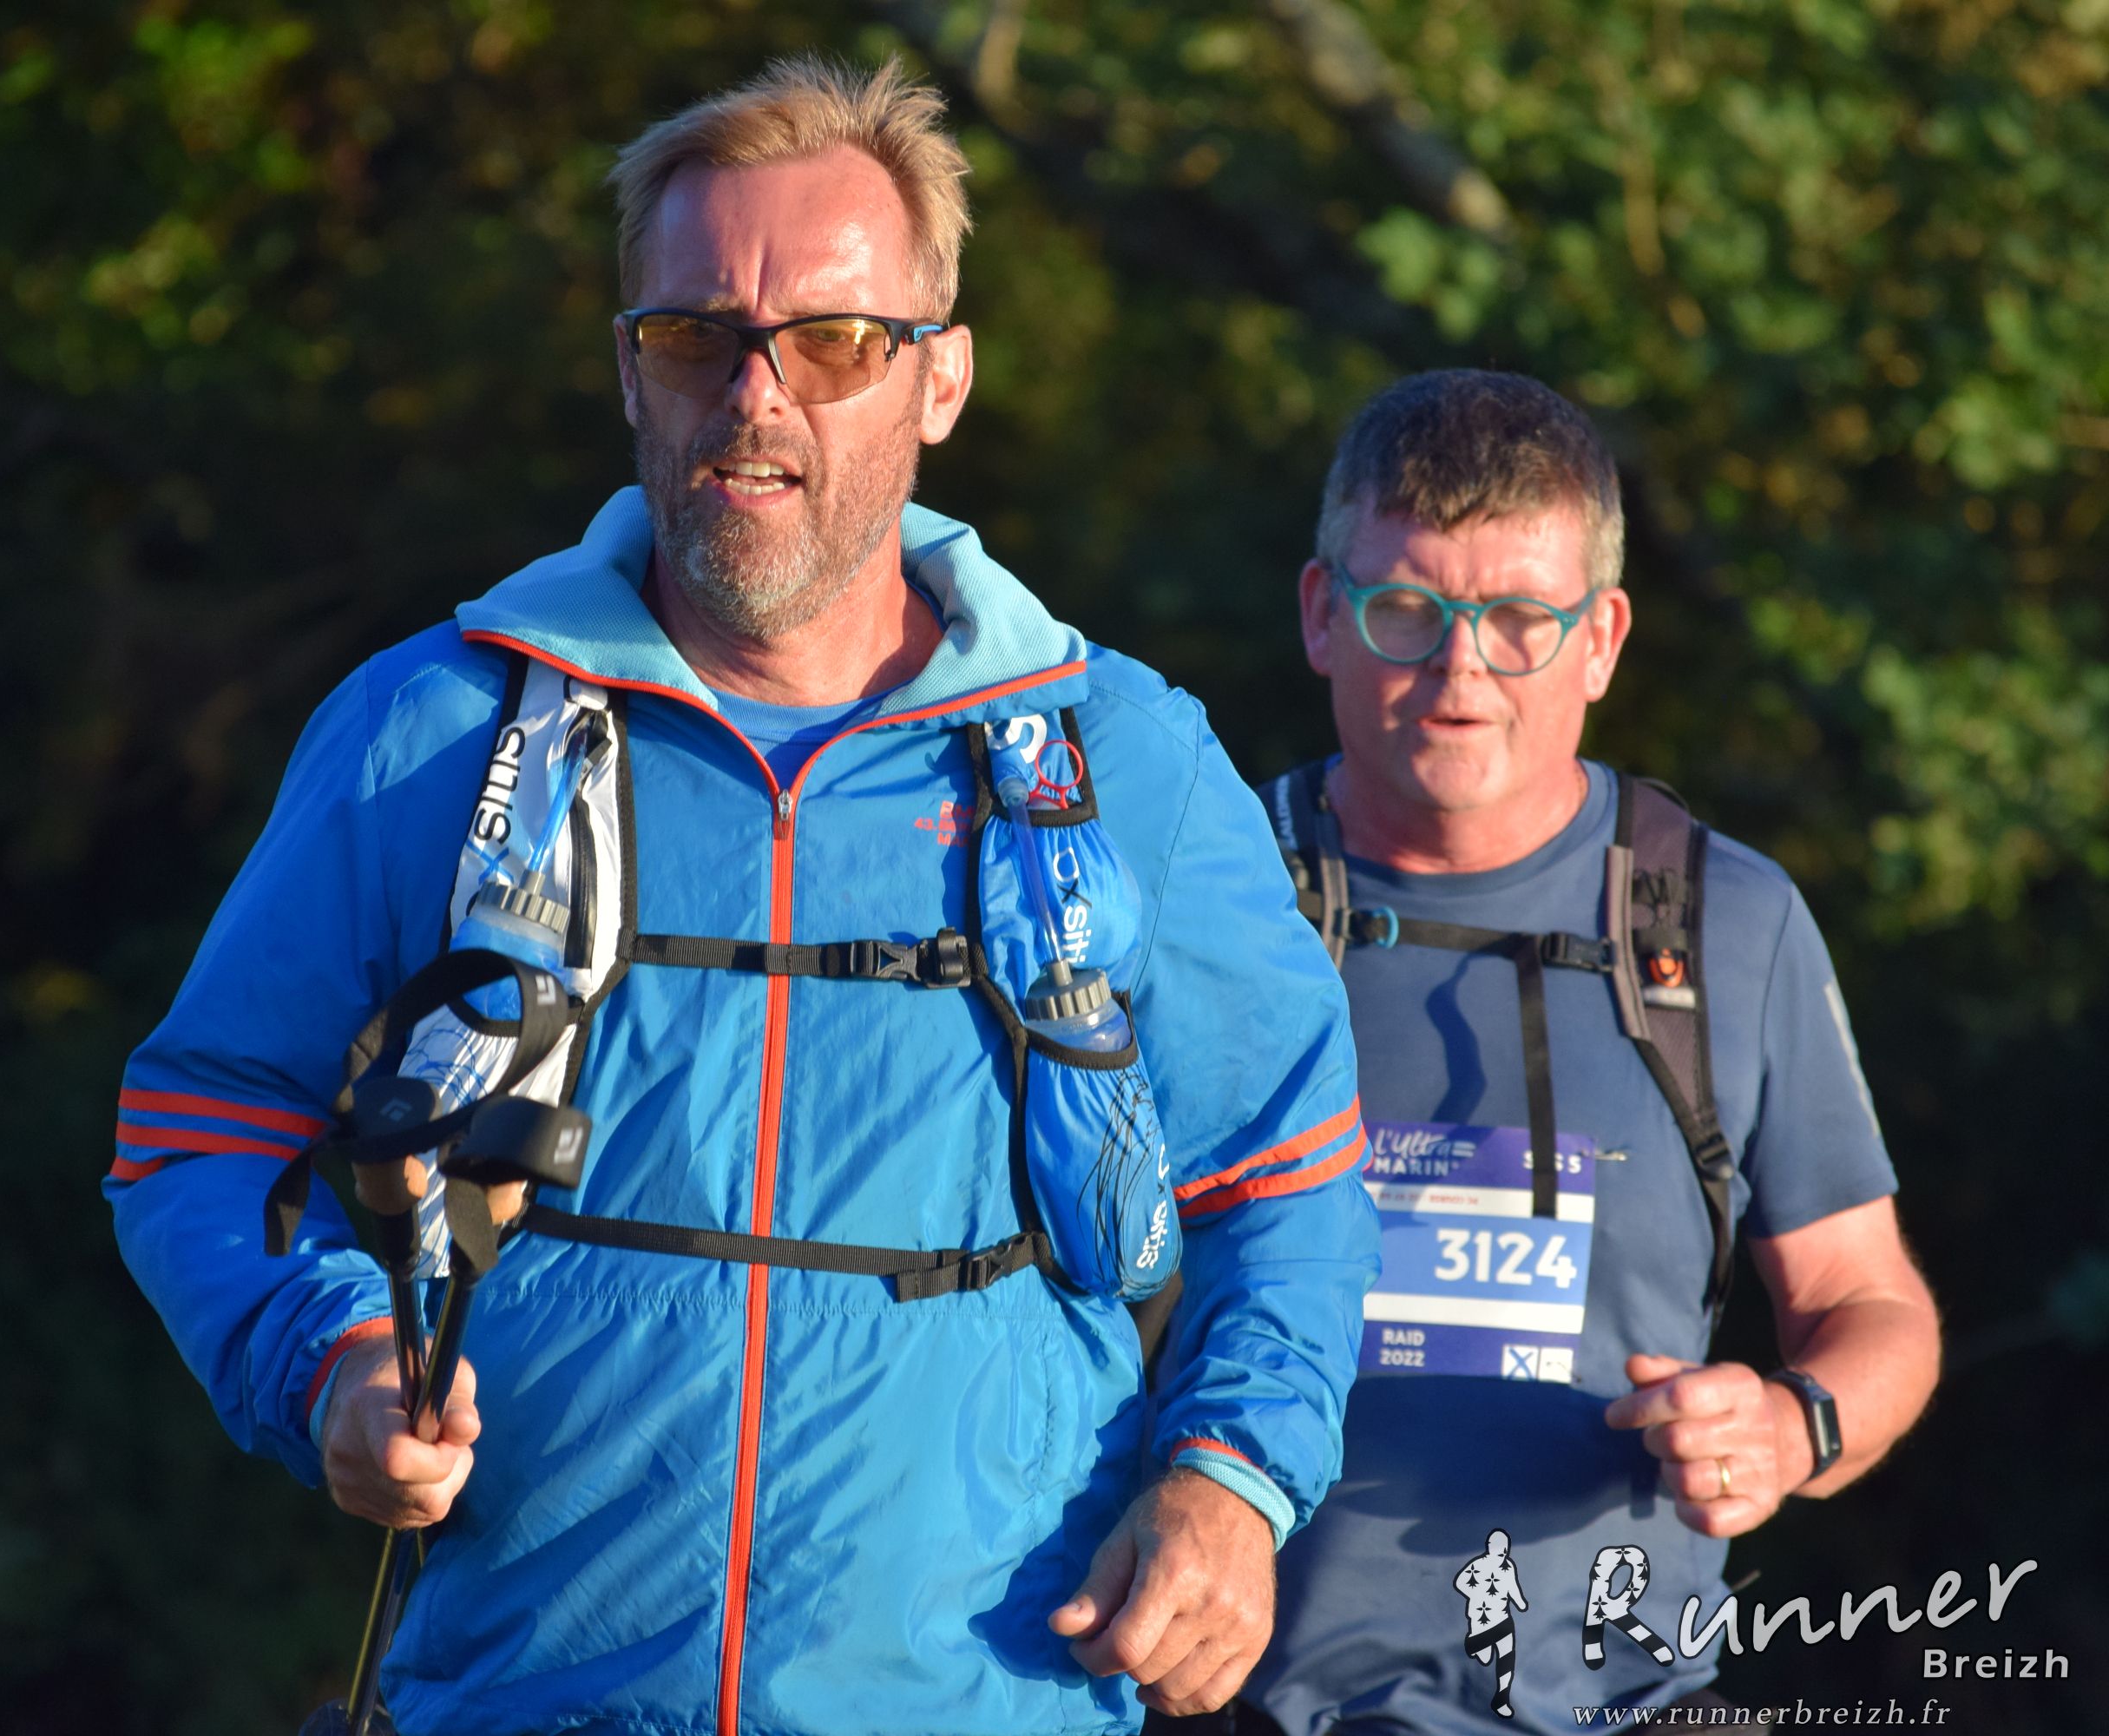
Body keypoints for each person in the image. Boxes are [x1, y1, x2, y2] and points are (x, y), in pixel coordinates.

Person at [107, 57, 1379, 1736]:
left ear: (939, 380)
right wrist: (327, 1361)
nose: (757, 394)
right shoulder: (432, 731)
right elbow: (202, 1127)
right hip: (526, 1701)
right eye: (697, 336)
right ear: (629, 372)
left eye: (836, 342)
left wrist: (1230, 1482)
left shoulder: (1126, 759)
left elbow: (1288, 1178)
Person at [1236, 371, 1941, 1734]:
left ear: (1601, 639)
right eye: (1407, 611)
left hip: (1628, 1702)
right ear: (1324, 615)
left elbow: (1871, 1305)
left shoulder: (1723, 924)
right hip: (1235, 1704)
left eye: (1518, 621)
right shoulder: (1205, 901)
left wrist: (1790, 1427)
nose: (1461, 671)